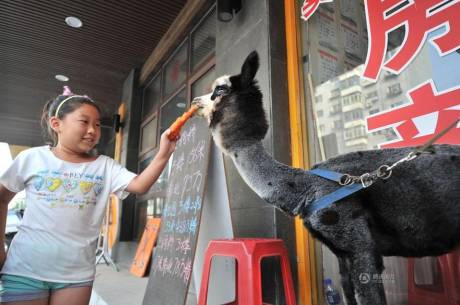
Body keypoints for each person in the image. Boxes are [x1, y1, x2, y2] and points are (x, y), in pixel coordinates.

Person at [0, 86, 179, 305]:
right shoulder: (31, 158)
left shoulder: (105, 166)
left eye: (97, 124)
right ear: (57, 124)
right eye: (84, 122)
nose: (93, 130)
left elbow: (140, 185)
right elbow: (2, 199)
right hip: (24, 269)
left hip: (76, 276)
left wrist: (163, 153)